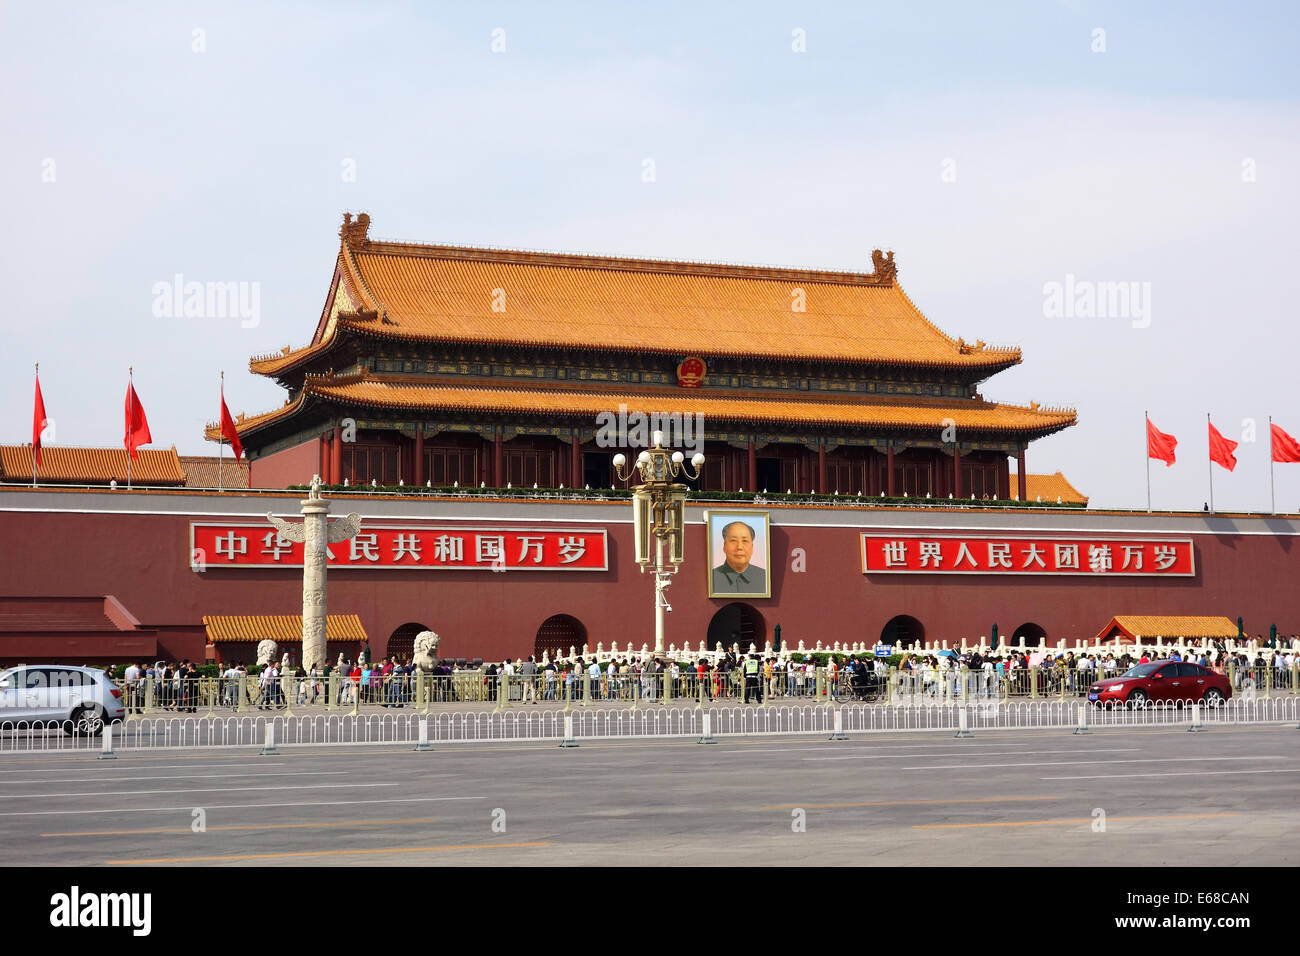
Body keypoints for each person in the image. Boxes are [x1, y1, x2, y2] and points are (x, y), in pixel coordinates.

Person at [710, 520, 767, 594]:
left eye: (745, 541)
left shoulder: (764, 577)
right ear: (724, 546)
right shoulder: (712, 578)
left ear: (752, 547)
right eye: (733, 540)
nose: (739, 547)